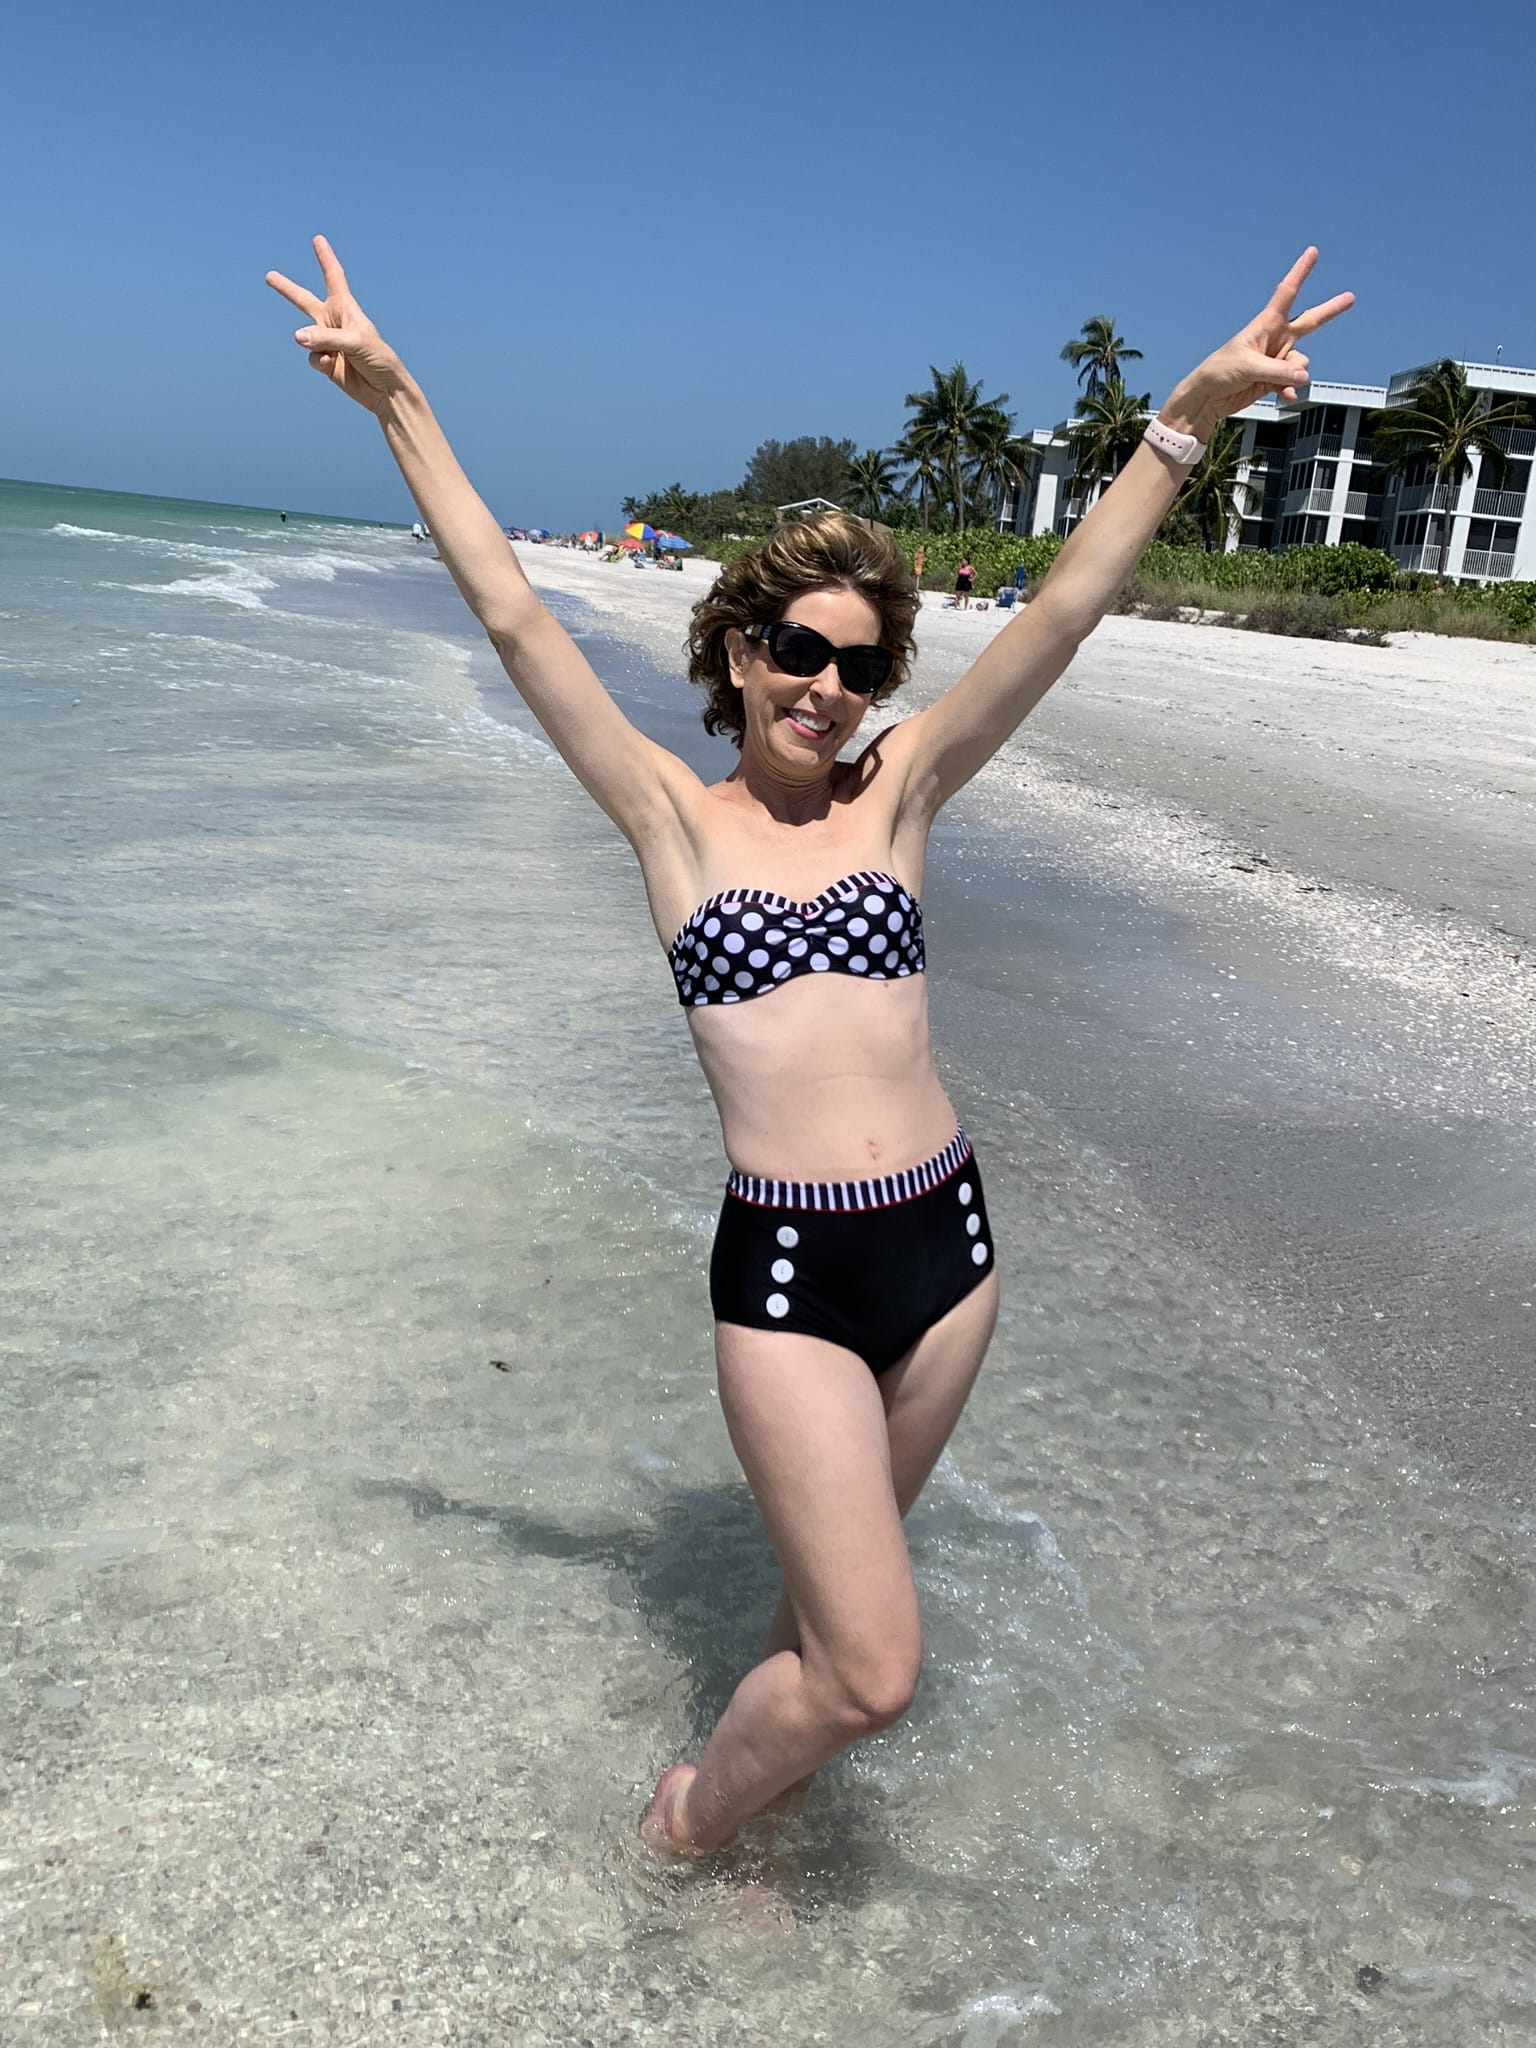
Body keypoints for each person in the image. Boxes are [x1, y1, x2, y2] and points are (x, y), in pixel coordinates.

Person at [266, 237, 1351, 1858]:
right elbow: (509, 616)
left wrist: (1188, 413)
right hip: (788, 1273)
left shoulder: (902, 795)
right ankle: (691, 1823)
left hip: (949, 1252)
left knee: (824, 1613)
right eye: (797, 653)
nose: (827, 689)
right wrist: (399, 401)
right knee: (877, 1667)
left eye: (857, 664)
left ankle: (754, 1827)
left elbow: (1060, 613)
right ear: (737, 654)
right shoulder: (669, 826)